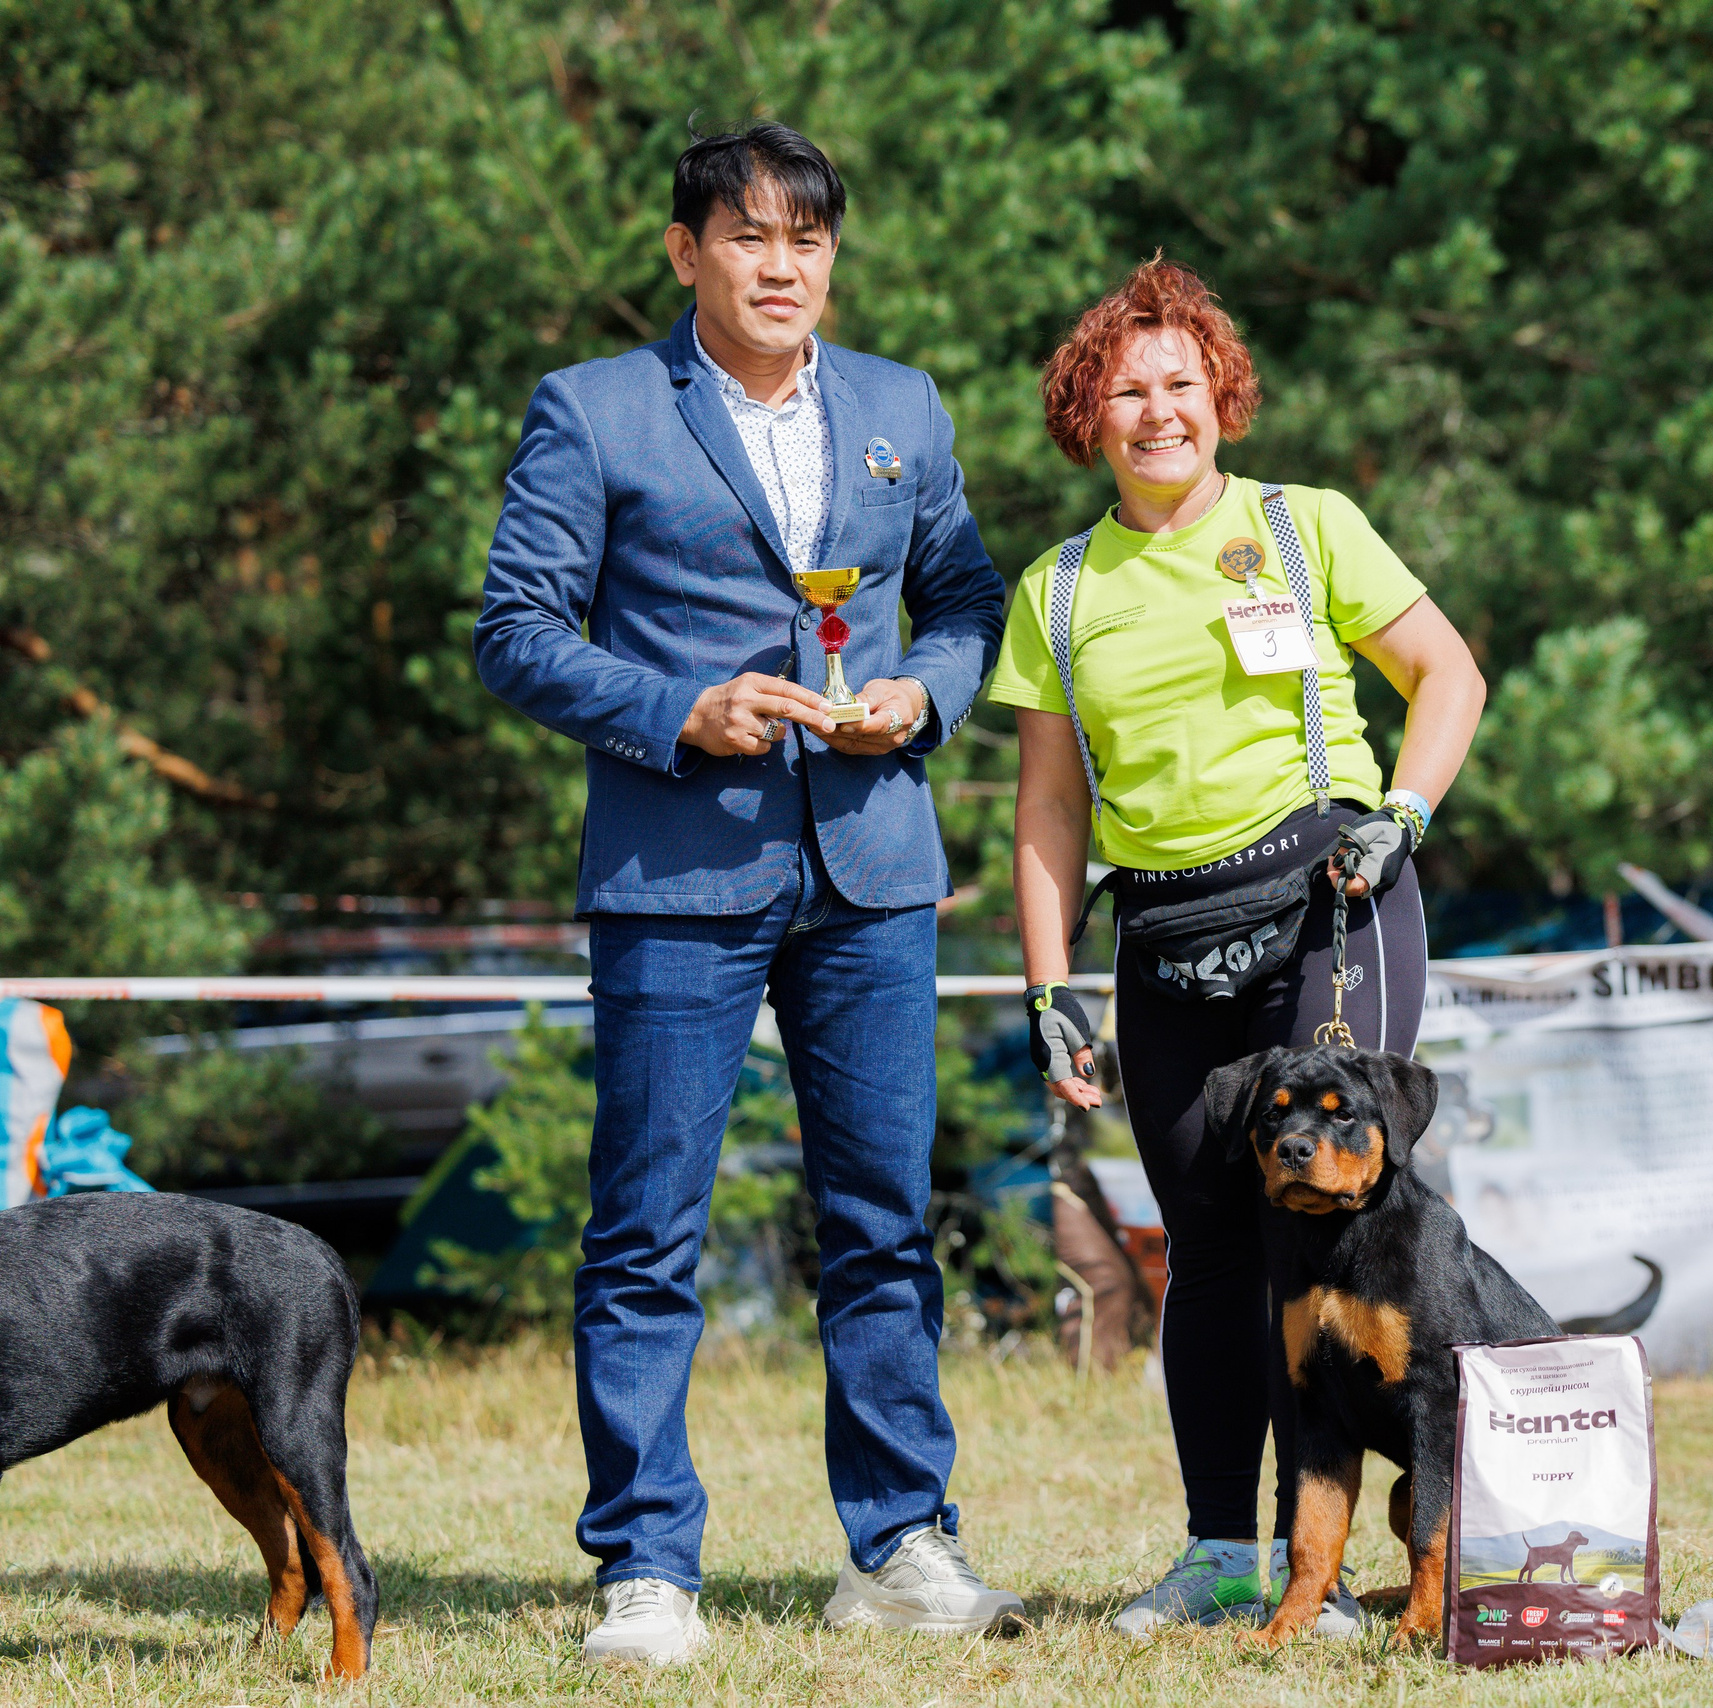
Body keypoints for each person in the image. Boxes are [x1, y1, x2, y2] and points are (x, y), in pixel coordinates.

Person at [474, 121, 1020, 1665]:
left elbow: (969, 598)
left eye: (809, 240)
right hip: (676, 867)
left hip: (876, 865)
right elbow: (514, 630)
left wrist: (927, 694)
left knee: (886, 1221)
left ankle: (904, 1545)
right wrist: (673, 710)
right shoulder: (591, 411)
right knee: (648, 1228)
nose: (784, 268)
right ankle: (647, 1568)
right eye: (751, 237)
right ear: (685, 251)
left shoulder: (903, 405)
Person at [983, 257, 1485, 1636]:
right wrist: (1049, 988)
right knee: (1203, 1248)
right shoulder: (1060, 589)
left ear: (1223, 397)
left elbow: (1451, 674)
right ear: (1088, 415)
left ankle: (1343, 1560)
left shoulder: (1307, 525)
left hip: (1333, 900)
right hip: (1162, 934)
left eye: (1181, 383)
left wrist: (1407, 813)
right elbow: (1048, 805)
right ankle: (1222, 1556)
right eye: (1126, 388)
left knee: (1325, 1222)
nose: (1157, 411)